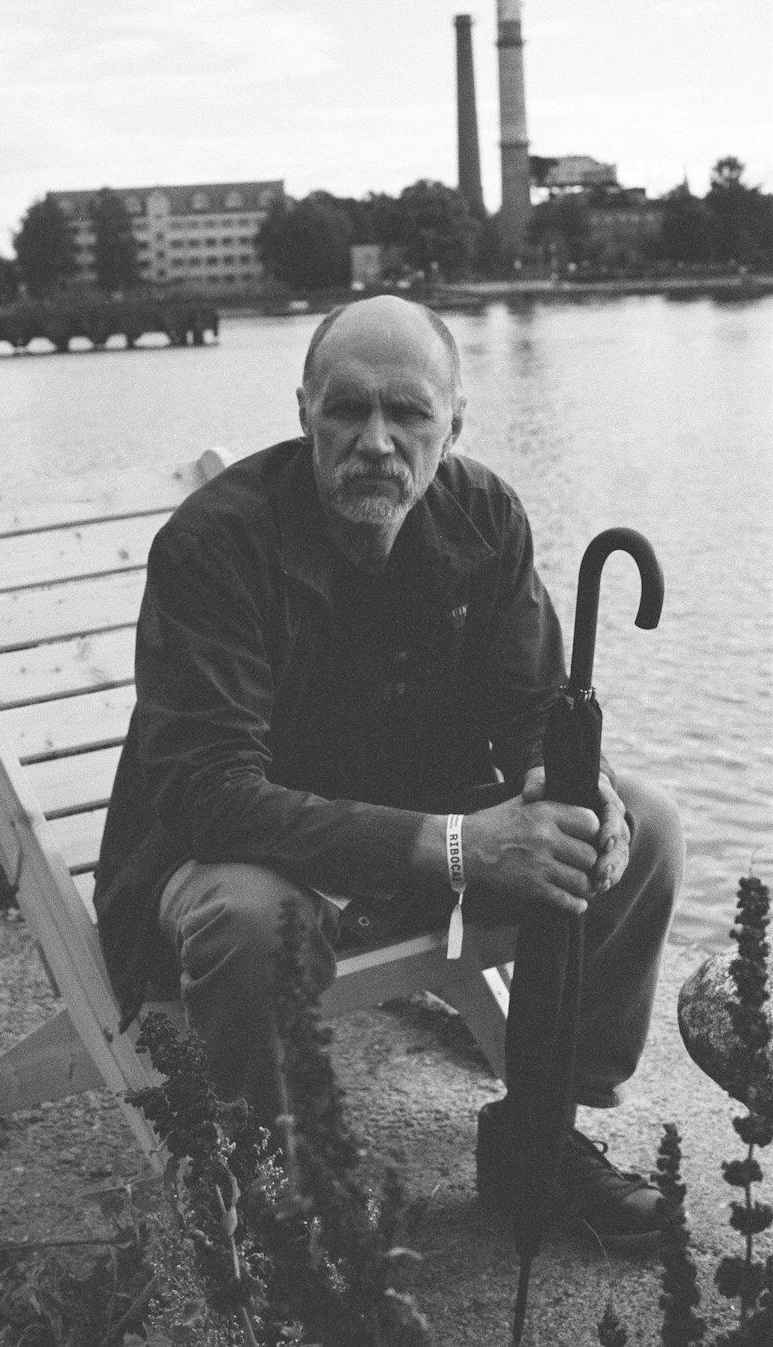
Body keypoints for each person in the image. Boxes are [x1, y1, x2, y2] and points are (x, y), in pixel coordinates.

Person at [95, 295, 683, 1249]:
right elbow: (212, 798)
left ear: (454, 424)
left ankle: (539, 1137)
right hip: (239, 856)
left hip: (405, 849)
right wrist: (458, 847)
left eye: (408, 413)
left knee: (642, 825)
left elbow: (533, 706)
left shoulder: (484, 514)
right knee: (253, 917)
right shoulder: (213, 546)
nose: (376, 441)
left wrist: (569, 781)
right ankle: (270, 1202)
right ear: (304, 413)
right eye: (348, 410)